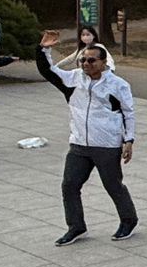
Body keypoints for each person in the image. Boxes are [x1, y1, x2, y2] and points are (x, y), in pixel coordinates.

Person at [38, 30, 138, 245]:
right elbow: (48, 72)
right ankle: (76, 226)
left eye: (91, 60)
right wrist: (44, 49)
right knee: (69, 185)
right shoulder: (73, 80)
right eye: (82, 60)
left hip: (107, 144)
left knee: (113, 185)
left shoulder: (118, 84)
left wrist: (128, 140)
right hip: (79, 144)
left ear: (103, 63)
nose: (85, 64)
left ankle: (128, 220)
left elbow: (128, 113)